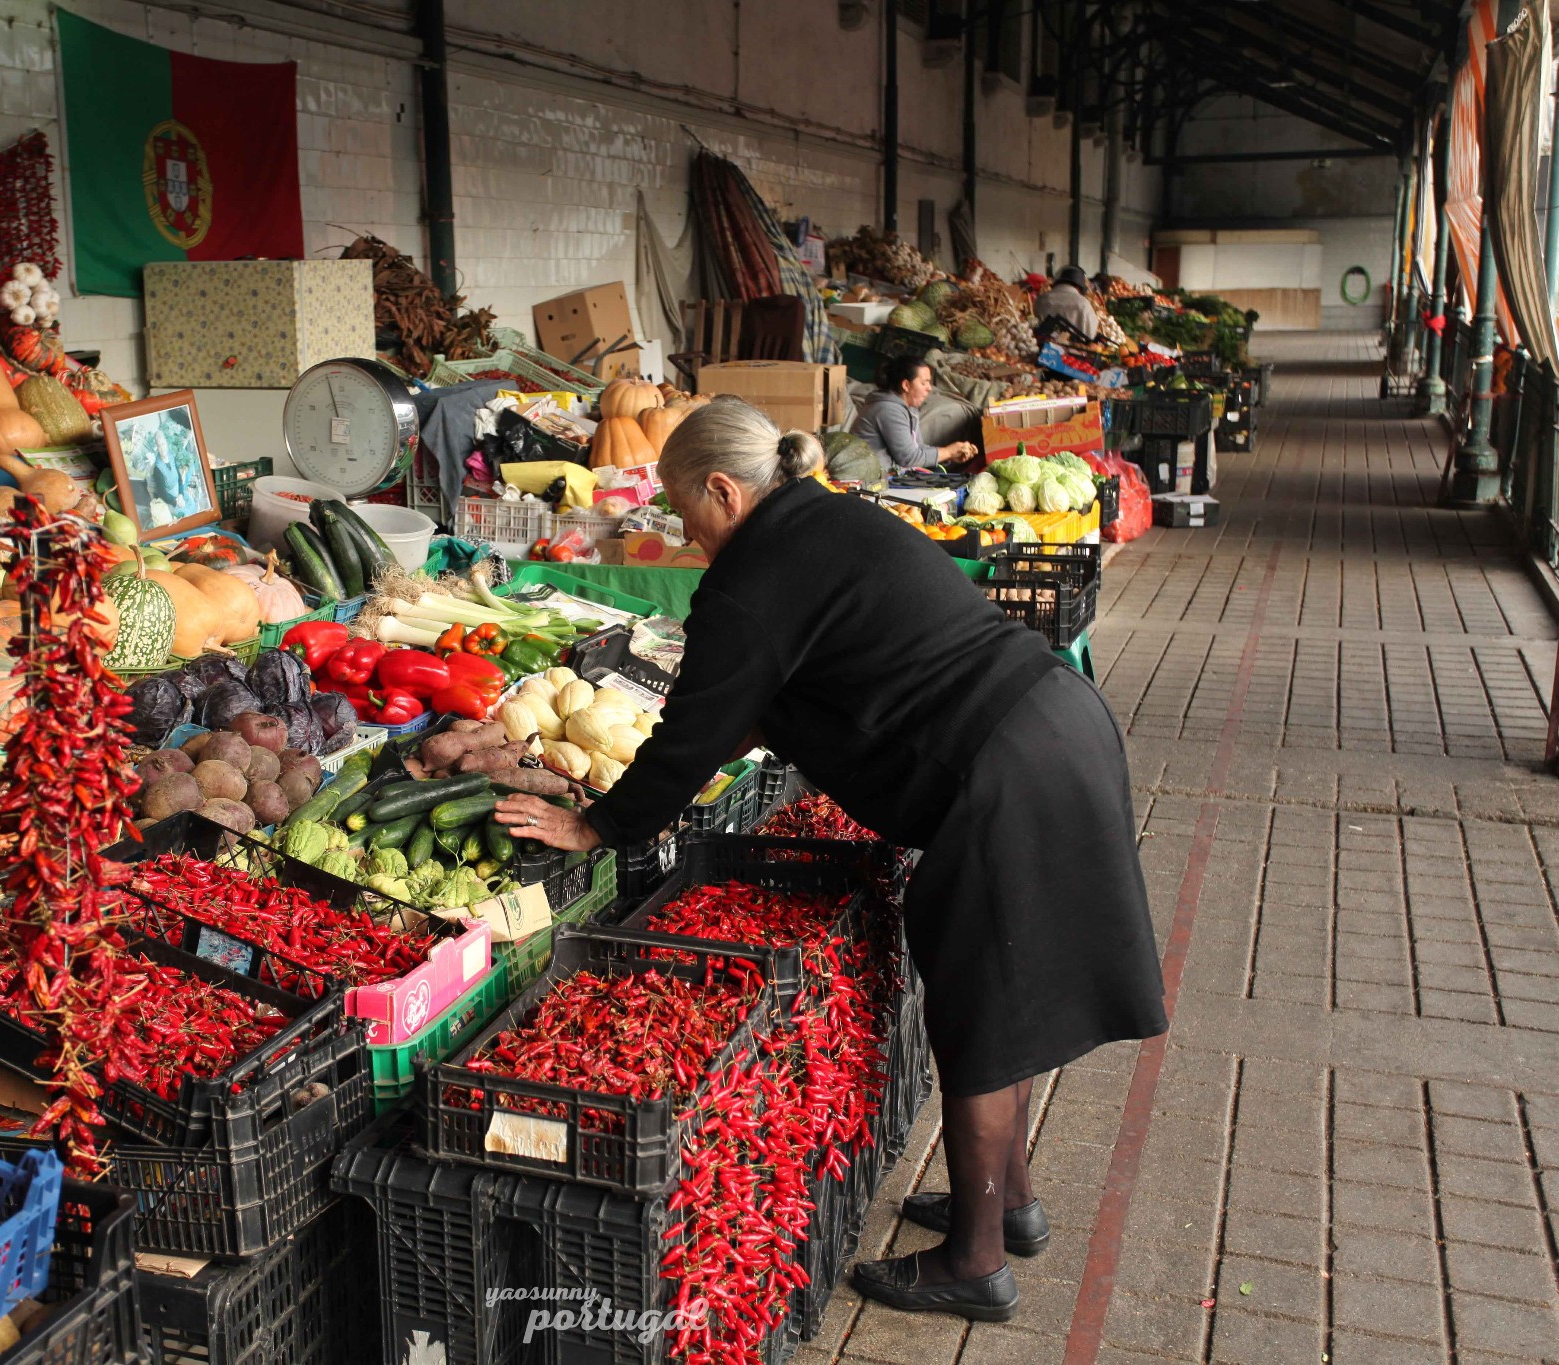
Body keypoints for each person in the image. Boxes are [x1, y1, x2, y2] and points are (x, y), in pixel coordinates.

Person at [495, 398, 1167, 1322]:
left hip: (1004, 769)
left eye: (689, 520)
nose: (690, 541)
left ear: (725, 492)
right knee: (1008, 992)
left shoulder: (752, 573)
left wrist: (599, 827)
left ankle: (975, 1262)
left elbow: (692, 738)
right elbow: (827, 671)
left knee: (981, 1007)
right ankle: (1009, 1205)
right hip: (1054, 723)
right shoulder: (827, 514)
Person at [850, 356, 979, 472]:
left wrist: (951, 454)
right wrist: (948, 452)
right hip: (865, 477)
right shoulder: (888, 409)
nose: (929, 388)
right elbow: (908, 458)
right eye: (924, 382)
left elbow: (918, 447)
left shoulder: (909, 409)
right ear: (906, 385)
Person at [1034, 265, 1100, 342]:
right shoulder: (1083, 303)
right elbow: (1091, 333)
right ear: (1078, 287)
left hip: (1041, 348)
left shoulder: (1041, 299)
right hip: (1074, 351)